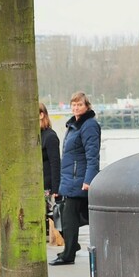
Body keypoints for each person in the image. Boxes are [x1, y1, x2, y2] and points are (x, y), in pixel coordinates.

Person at [51, 92, 101, 266]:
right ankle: (70, 249)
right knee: (71, 217)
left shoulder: (89, 125)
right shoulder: (74, 125)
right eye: (73, 105)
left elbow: (92, 155)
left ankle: (68, 254)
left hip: (79, 180)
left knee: (69, 218)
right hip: (71, 179)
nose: (76, 108)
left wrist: (88, 180)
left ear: (87, 106)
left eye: (79, 104)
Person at [40, 103, 60, 235]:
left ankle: (68, 243)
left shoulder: (50, 136)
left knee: (53, 216)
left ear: (42, 115)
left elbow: (55, 163)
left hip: (48, 185)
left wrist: (55, 189)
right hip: (40, 184)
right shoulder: (38, 135)